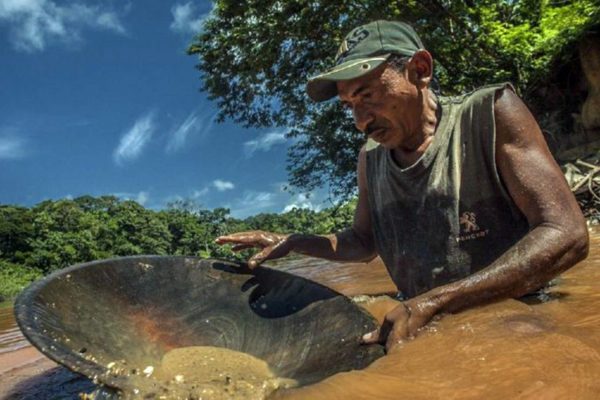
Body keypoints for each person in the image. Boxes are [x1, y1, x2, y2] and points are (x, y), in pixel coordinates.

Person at [216, 20, 589, 352]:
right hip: (417, 318)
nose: (360, 120)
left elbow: (567, 234)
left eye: (367, 95)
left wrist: (434, 302)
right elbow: (362, 244)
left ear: (420, 70)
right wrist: (296, 242)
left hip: (516, 312)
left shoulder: (491, 114)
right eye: (348, 105)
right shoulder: (370, 159)